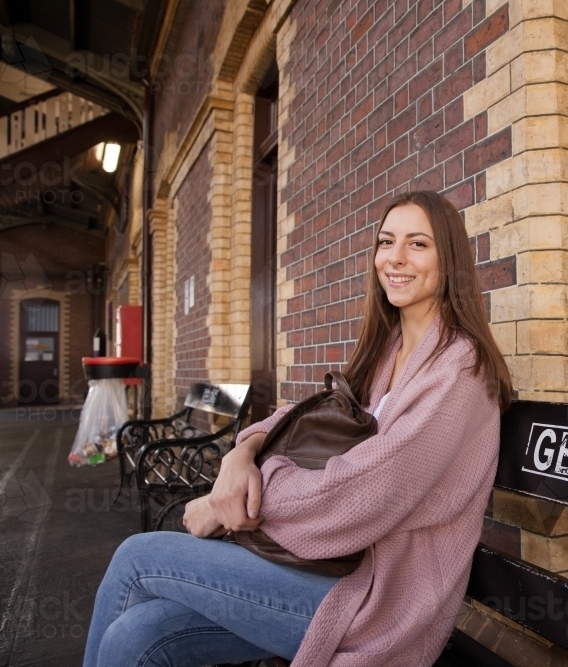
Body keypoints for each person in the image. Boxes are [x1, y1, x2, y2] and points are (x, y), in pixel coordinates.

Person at [83, 191, 513, 667]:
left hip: (377, 598)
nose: (395, 258)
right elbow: (303, 415)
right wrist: (241, 452)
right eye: (386, 242)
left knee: (136, 558)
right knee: (137, 636)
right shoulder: (388, 350)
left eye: (418, 244)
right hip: (326, 565)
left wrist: (226, 505)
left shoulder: (458, 369)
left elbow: (362, 495)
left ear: (448, 258)